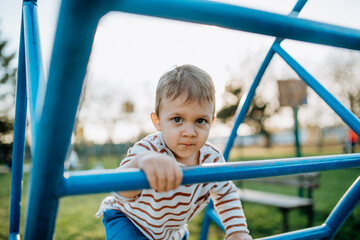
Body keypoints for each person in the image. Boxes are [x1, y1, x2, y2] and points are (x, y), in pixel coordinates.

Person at [97, 64, 251, 240]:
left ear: (211, 122)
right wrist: (141, 163)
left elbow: (225, 193)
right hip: (128, 220)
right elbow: (120, 188)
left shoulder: (211, 158)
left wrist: (237, 230)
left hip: (170, 233)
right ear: (158, 121)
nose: (189, 132)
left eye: (200, 120)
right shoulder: (149, 149)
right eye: (177, 119)